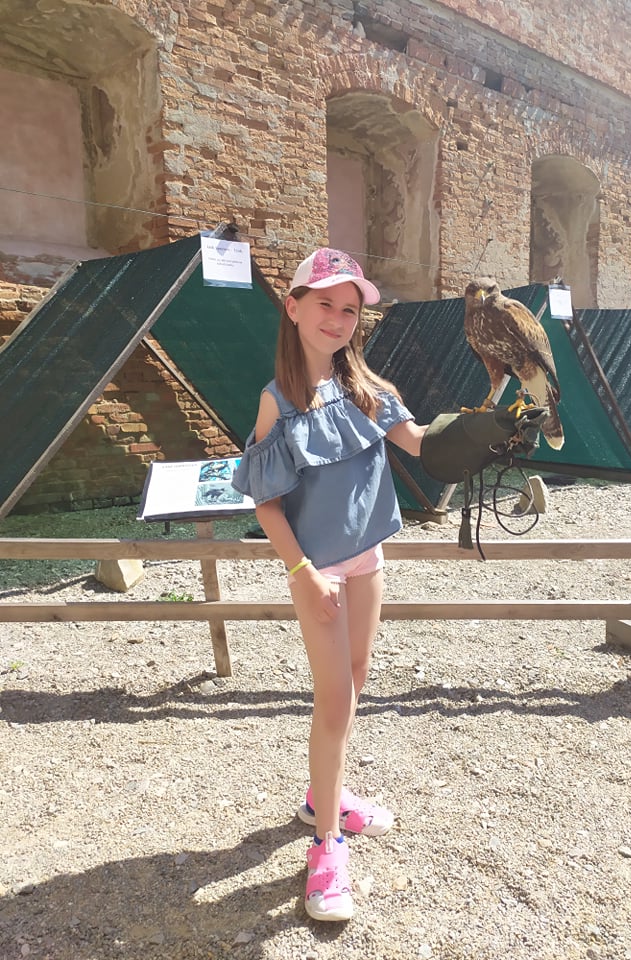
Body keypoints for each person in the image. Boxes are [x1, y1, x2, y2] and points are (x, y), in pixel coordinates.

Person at [232, 248, 427, 922]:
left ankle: (325, 796)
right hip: (315, 571)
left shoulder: (370, 389)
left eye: (350, 309)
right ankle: (326, 845)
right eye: (325, 304)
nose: (339, 319)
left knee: (358, 674)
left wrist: (489, 426)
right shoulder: (276, 401)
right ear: (292, 307)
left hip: (369, 560)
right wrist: (303, 572)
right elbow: (266, 505)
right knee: (335, 698)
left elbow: (422, 443)